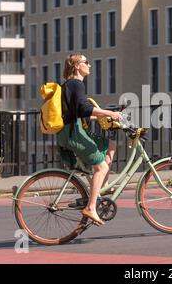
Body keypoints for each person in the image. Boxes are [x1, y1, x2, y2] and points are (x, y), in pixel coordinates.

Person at [57, 53, 123, 226]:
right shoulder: (76, 84)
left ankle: (100, 190)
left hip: (72, 130)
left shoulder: (69, 85)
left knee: (110, 144)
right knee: (101, 167)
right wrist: (110, 113)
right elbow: (84, 108)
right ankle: (91, 207)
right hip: (74, 133)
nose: (90, 65)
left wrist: (101, 118)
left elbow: (77, 112)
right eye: (87, 62)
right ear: (77, 66)